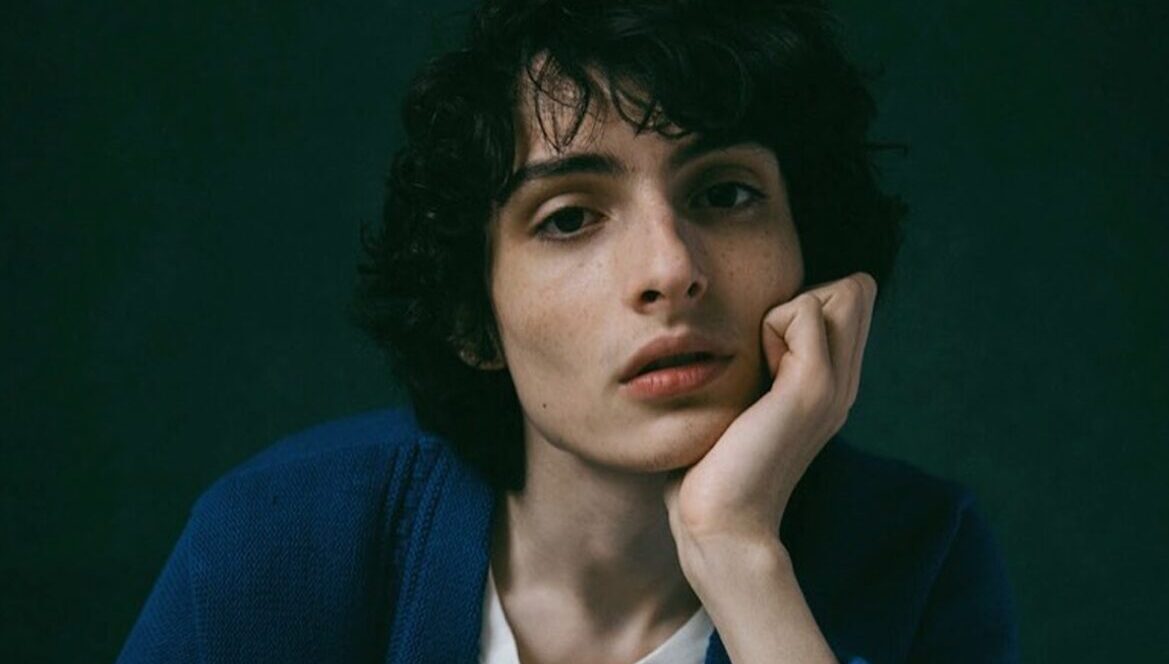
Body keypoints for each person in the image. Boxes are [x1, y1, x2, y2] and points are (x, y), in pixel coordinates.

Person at [119, 0, 1019, 662]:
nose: (671, 267)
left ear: (808, 259)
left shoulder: (917, 559)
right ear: (473, 317)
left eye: (725, 194)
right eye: (570, 218)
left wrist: (740, 557)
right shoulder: (278, 543)